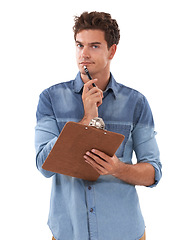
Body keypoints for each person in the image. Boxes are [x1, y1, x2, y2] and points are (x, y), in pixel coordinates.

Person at [35, 11, 162, 240]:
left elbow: (153, 173)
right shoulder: (50, 99)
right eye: (79, 45)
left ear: (111, 51)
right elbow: (43, 166)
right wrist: (84, 121)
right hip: (68, 233)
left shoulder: (136, 103)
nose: (84, 54)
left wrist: (117, 168)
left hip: (125, 232)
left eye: (94, 46)